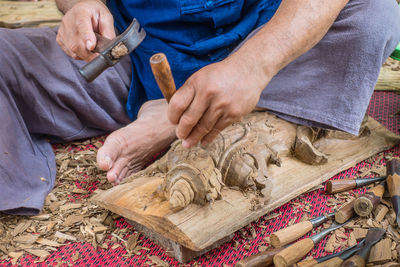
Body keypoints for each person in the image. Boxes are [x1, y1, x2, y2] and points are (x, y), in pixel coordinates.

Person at [1, 0, 399, 215]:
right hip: (134, 52)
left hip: (264, 40)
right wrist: (78, 6)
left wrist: (252, 66)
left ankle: (173, 119)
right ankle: (192, 111)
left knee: (377, 13)